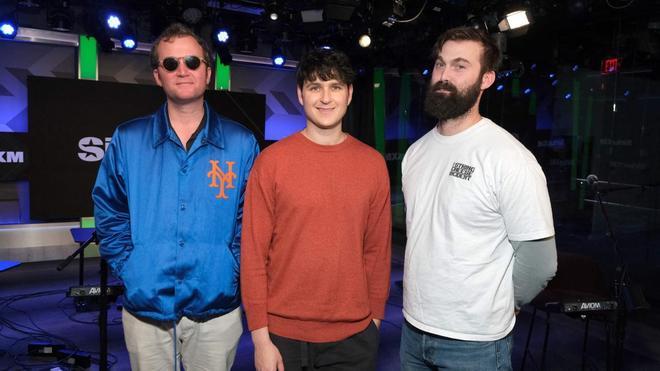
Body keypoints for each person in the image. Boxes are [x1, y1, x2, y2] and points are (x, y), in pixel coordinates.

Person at [92, 23, 259, 371]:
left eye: (192, 62)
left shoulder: (241, 142)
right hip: (146, 307)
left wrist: (230, 269)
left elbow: (253, 220)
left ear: (208, 72)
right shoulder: (128, 139)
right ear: (157, 75)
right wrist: (133, 267)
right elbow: (110, 211)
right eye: (170, 64)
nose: (182, 70)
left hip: (217, 308)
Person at [400, 27, 557, 370]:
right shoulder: (416, 153)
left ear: (486, 79)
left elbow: (540, 263)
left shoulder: (508, 157)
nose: (443, 76)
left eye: (459, 66)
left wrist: (500, 304)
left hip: (476, 345)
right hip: (412, 331)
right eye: (440, 65)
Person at [240, 48, 392, 371]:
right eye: (314, 87)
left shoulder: (372, 163)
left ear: (349, 94)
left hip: (354, 338)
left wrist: (374, 322)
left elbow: (378, 252)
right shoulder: (271, 162)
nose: (325, 97)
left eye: (335, 86)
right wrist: (260, 339)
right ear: (300, 94)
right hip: (282, 337)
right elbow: (254, 253)